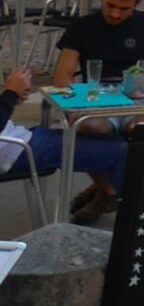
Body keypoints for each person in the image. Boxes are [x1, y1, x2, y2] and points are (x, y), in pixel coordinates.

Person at [1, 64, 127, 223]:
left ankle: (107, 191)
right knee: (119, 151)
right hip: (14, 151)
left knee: (112, 141)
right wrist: (10, 94)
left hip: (16, 141)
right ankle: (138, 222)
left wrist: (11, 98)